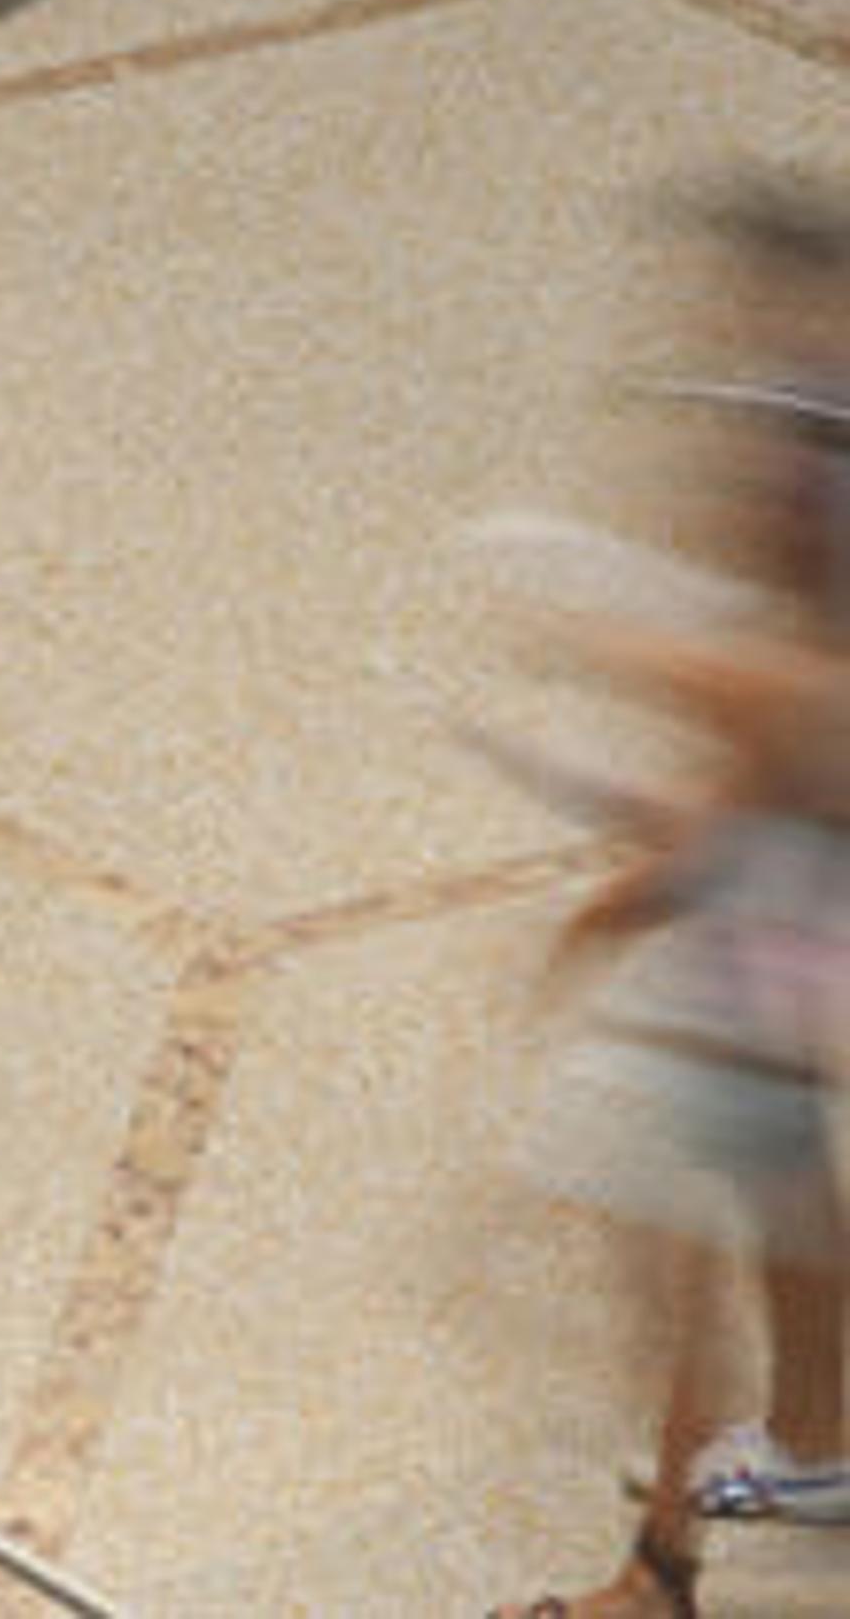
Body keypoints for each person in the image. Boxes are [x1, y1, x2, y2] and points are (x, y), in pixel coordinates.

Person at [501, 174, 850, 1619]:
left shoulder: (811, 456)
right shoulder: (807, 431)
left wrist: (616, 654)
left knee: (666, 1224)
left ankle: (660, 1572)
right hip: (790, 901)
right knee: (770, 1175)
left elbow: (796, 711)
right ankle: (817, 1450)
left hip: (779, 914)